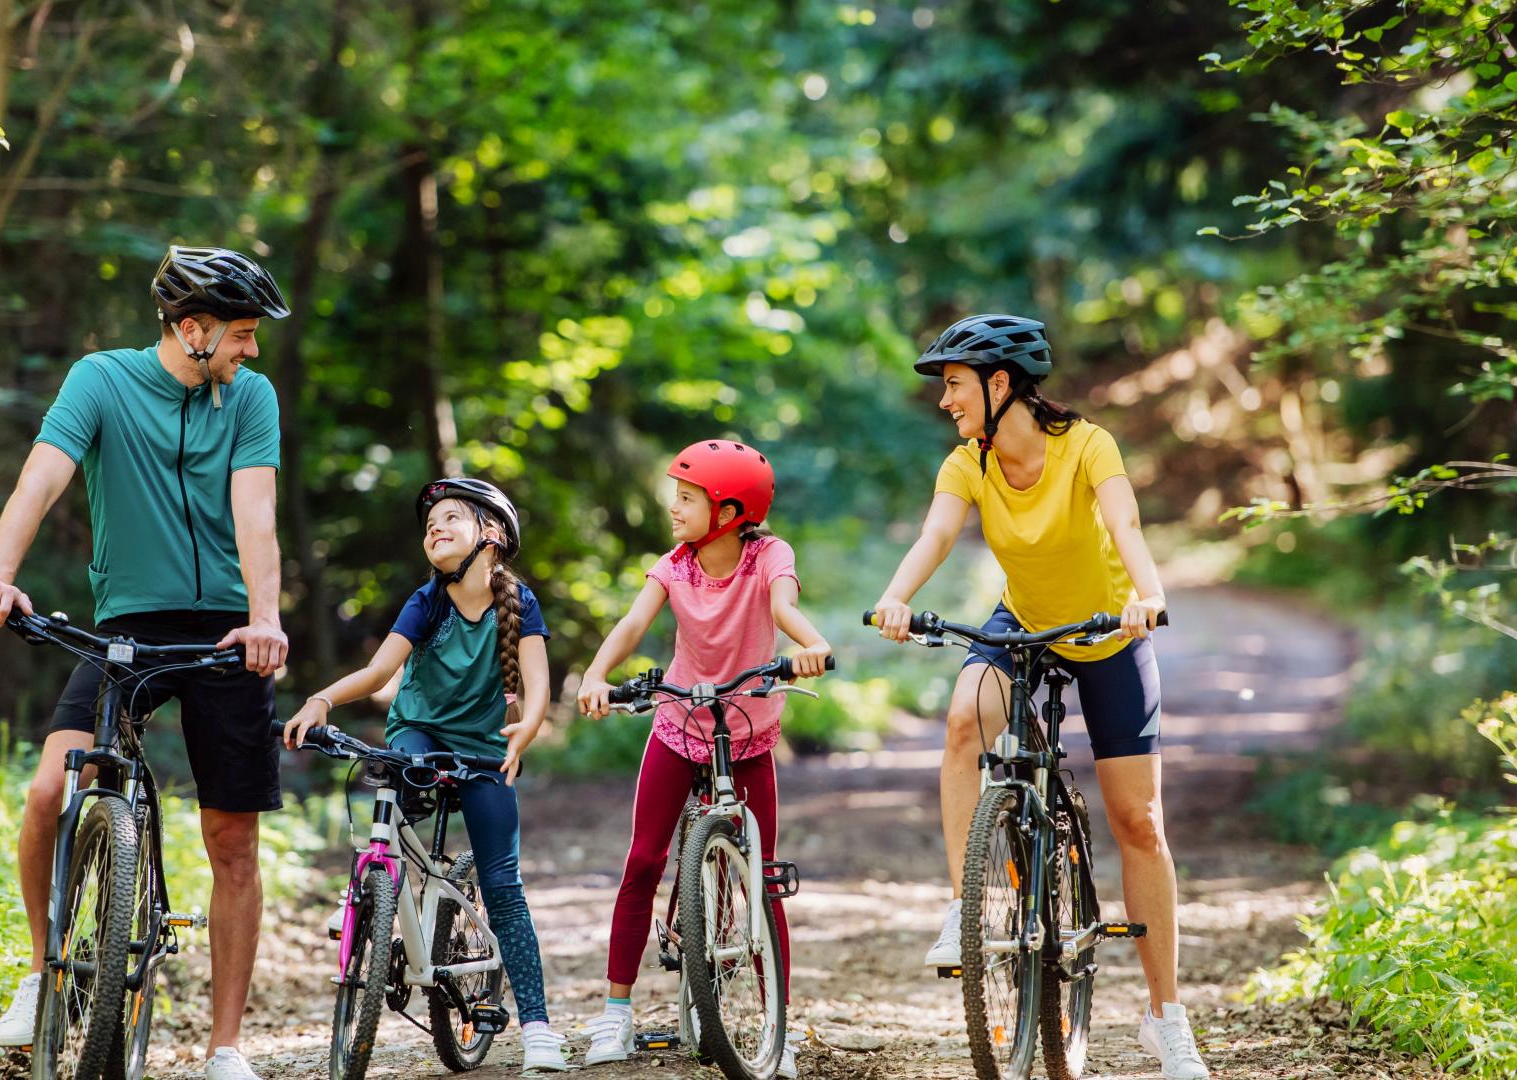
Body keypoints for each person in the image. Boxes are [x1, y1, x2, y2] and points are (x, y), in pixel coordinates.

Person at [0, 246, 292, 1080]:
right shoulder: (100, 380)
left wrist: (264, 618)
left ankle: (225, 1047)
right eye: (242, 335)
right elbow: (40, 480)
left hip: (226, 632)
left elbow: (255, 514)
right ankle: (43, 976)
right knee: (49, 790)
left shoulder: (251, 397)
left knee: (233, 842)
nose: (251, 351)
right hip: (131, 627)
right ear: (193, 328)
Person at [868, 313, 1208, 1079]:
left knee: (1139, 821)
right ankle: (967, 906)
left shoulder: (1088, 445)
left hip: (1107, 632)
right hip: (1023, 620)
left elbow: (1123, 522)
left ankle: (1166, 1018)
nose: (946, 402)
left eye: (954, 385)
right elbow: (935, 536)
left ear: (1000, 384)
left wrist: (1147, 594)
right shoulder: (968, 463)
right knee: (964, 725)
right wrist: (895, 597)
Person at [282, 478, 568, 1072]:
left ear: (490, 537)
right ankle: (366, 893)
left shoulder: (520, 602)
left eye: (449, 519)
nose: (433, 528)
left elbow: (537, 685)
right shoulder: (428, 599)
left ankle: (538, 1027)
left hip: (485, 752)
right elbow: (379, 668)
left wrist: (529, 725)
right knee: (395, 779)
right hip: (422, 734)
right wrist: (322, 700)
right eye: (429, 523)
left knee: (503, 886)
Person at [574, 440, 833, 1079]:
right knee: (643, 861)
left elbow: (783, 606)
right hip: (678, 723)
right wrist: (597, 672)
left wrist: (812, 643)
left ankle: (776, 1024)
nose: (675, 508)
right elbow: (636, 623)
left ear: (729, 511)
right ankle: (616, 1011)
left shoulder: (768, 555)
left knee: (763, 877)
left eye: (688, 499)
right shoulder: (675, 565)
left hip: (747, 729)